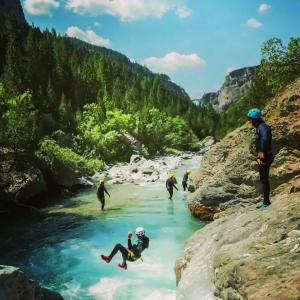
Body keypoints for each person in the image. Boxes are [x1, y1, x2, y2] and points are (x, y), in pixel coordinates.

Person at [247, 108, 273, 209]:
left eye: (250, 119)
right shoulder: (260, 126)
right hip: (262, 157)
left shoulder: (262, 127)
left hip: (264, 157)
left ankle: (266, 202)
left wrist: (262, 153)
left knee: (264, 179)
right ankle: (265, 201)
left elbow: (265, 138)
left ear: (255, 119)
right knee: (263, 179)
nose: (250, 121)